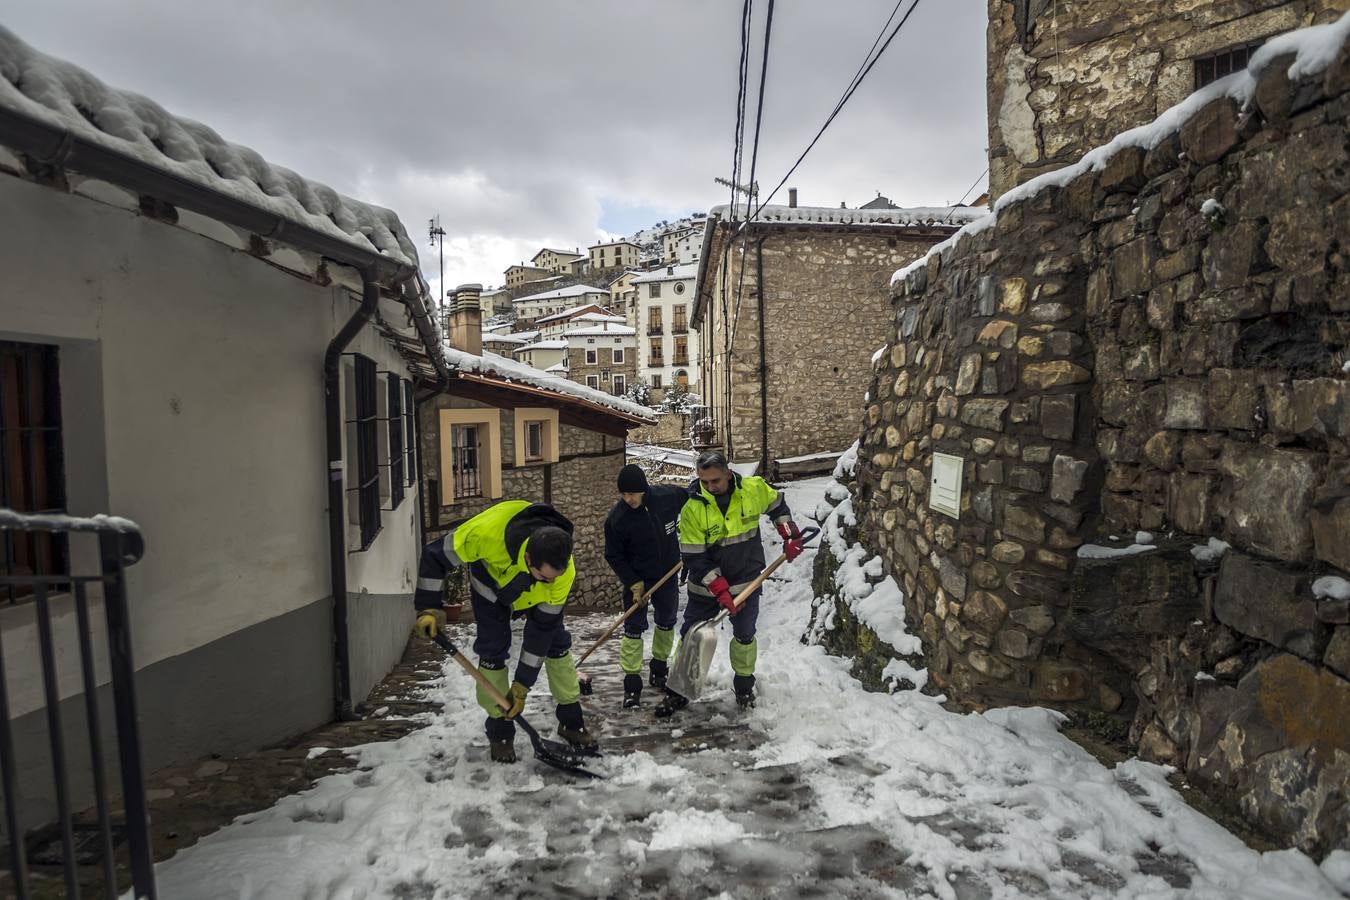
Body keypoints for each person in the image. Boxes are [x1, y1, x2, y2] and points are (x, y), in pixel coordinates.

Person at [412, 500, 597, 763]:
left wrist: (522, 687)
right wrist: (428, 608)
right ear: (529, 558)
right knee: (493, 649)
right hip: (491, 589)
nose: (551, 581)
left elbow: (540, 631)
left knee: (556, 645)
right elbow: (434, 555)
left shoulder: (561, 575)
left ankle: (571, 721)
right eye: (545, 577)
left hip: (536, 598)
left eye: (555, 576)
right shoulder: (485, 535)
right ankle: (500, 731)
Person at [656, 450, 803, 717]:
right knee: (692, 635)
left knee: (745, 636)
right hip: (705, 590)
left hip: (747, 581)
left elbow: (777, 505)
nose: (711, 487)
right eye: (705, 482)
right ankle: (679, 691)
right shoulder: (692, 509)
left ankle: (744, 685)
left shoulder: (752, 489)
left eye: (716, 481)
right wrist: (718, 587)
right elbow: (693, 556)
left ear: (727, 473)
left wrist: (789, 532)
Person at [603, 463, 688, 709]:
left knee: (666, 621)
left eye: (632, 493)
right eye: (624, 494)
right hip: (637, 580)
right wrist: (633, 582)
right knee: (633, 627)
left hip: (668, 573)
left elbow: (693, 495)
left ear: (644, 490)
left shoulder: (666, 497)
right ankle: (631, 686)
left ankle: (659, 671)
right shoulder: (617, 520)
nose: (628, 499)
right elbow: (613, 555)